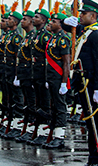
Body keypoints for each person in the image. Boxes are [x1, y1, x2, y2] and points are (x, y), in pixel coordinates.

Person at [63, 0, 98, 166]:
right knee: (90, 123)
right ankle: (92, 158)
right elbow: (68, 27)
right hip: (82, 82)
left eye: (84, 14)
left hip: (91, 83)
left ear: (93, 16)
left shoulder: (96, 34)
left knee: (97, 122)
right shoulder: (83, 30)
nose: (80, 16)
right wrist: (64, 21)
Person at [42, 10, 70, 149]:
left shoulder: (63, 39)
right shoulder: (53, 38)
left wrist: (64, 82)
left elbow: (66, 62)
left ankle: (60, 137)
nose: (51, 23)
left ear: (61, 24)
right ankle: (54, 134)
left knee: (60, 106)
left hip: (59, 78)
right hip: (52, 77)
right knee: (54, 106)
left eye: (54, 21)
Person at [25, 0, 52, 144]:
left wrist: (47, 76)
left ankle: (45, 132)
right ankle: (38, 130)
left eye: (36, 17)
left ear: (43, 20)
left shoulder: (45, 36)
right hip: (35, 71)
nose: (33, 19)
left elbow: (49, 57)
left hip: (43, 71)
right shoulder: (36, 35)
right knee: (38, 102)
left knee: (45, 102)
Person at [14, 7, 36, 142]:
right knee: (27, 102)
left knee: (32, 101)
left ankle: (32, 129)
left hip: (30, 72)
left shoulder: (34, 37)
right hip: (23, 71)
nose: (22, 22)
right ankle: (27, 129)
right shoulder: (26, 37)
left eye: (25, 19)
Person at [2, 8, 25, 139]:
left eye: (10, 19)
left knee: (17, 98)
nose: (7, 21)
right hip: (6, 68)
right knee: (8, 97)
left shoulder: (17, 37)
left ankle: (17, 124)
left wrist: (17, 74)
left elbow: (18, 57)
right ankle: (10, 122)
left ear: (15, 22)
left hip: (13, 69)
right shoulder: (9, 36)